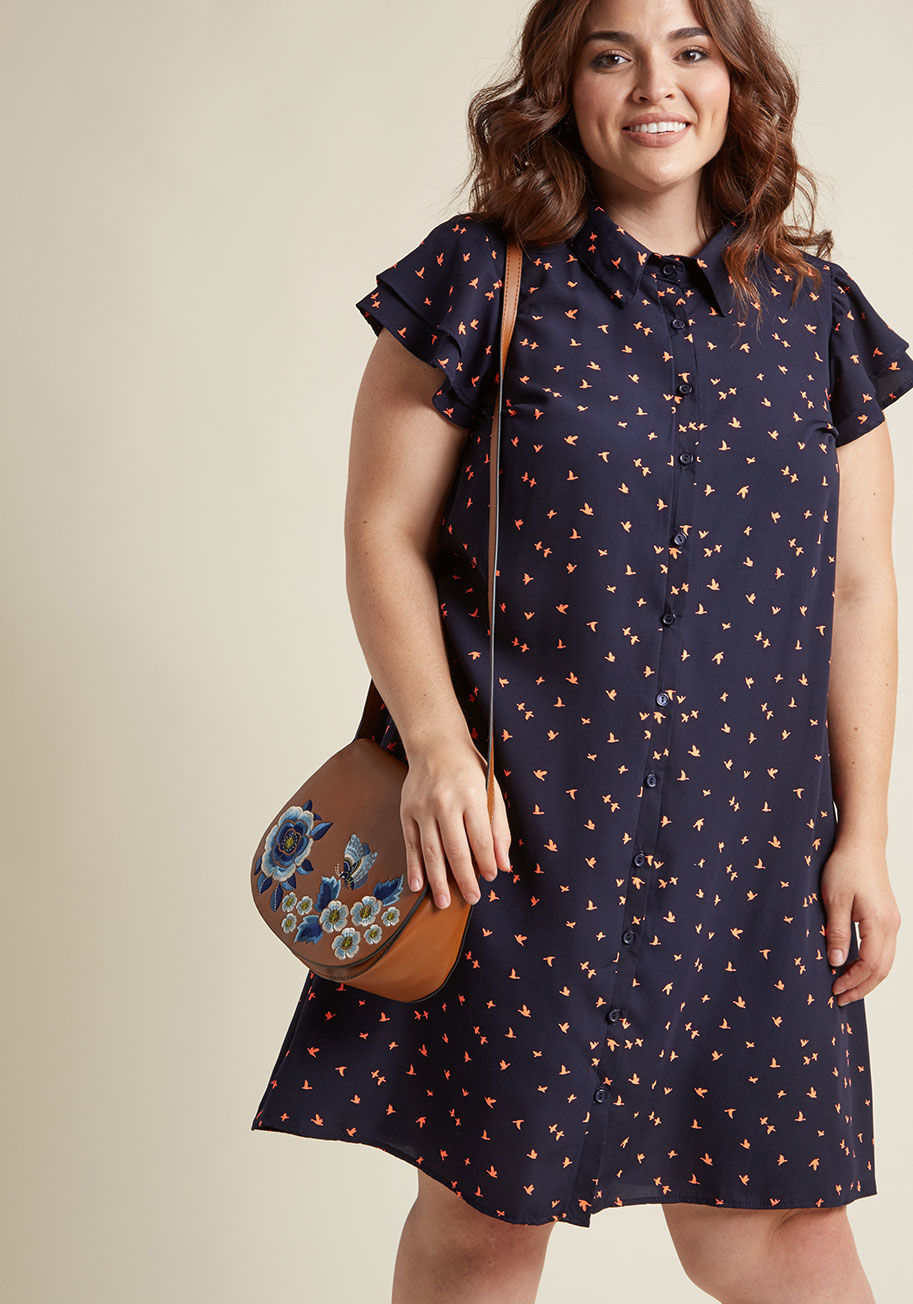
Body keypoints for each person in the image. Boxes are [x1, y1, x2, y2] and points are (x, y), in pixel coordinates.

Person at [251, 1, 913, 1300]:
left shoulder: (813, 313)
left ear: (736, 80)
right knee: (485, 1220)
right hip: (517, 831)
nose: (655, 85)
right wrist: (436, 749)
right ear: (563, 87)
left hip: (749, 849)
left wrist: (865, 835)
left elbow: (857, 589)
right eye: (613, 55)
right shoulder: (477, 278)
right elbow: (381, 532)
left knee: (779, 1228)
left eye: (690, 51)